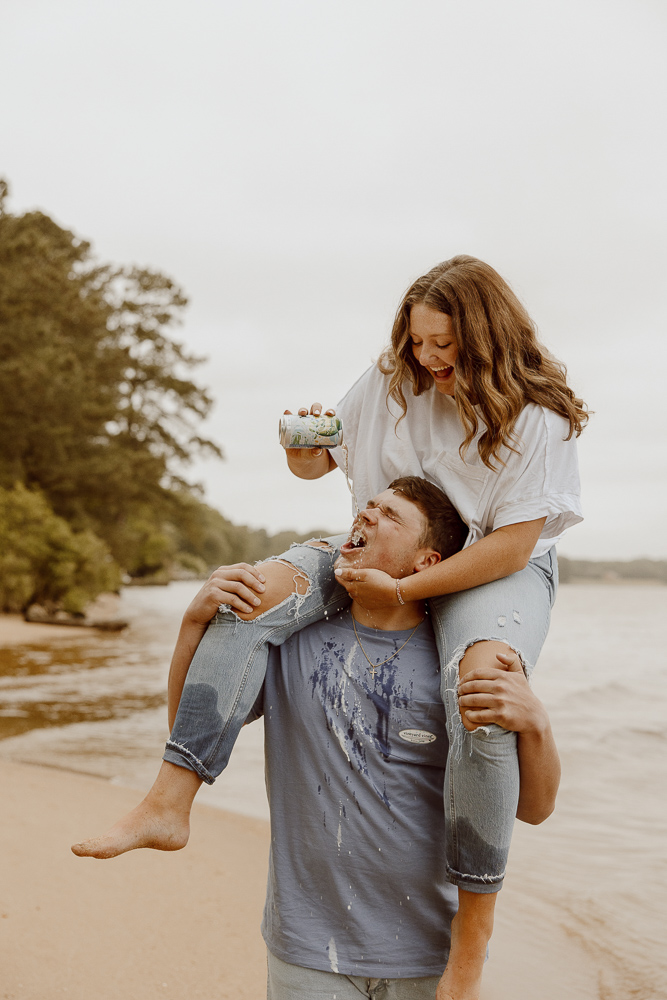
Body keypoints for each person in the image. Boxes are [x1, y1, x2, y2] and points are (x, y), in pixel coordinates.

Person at [73, 254, 585, 996]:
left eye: (445, 344)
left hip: (494, 566)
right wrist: (301, 454)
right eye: (418, 341)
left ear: (487, 338)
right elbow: (319, 467)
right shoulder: (389, 382)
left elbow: (509, 543)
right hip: (389, 553)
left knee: (477, 686)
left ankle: (470, 941)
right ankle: (168, 799)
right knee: (247, 596)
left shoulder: (536, 416)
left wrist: (407, 584)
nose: (428, 358)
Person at [74, 478, 561, 1000]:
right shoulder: (289, 643)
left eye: (391, 516)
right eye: (369, 506)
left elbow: (532, 809)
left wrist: (537, 724)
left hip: (431, 956)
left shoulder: (458, 668)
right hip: (308, 950)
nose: (369, 515)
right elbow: (189, 725)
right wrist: (194, 622)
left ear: (427, 562)